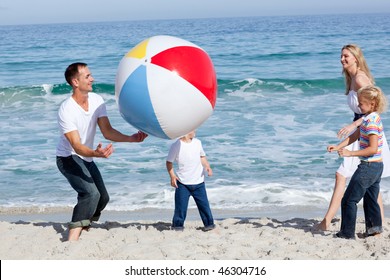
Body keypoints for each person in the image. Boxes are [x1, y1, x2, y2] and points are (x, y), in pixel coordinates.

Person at [56, 62, 148, 241]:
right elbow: (76, 145)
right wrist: (96, 153)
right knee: (90, 193)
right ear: (75, 82)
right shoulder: (66, 109)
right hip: (68, 158)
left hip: (87, 157)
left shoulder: (97, 100)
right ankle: (72, 237)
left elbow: (107, 131)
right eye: (87, 76)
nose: (92, 79)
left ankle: (85, 225)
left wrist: (132, 138)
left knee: (102, 198)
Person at [317, 44, 389, 230]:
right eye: (341, 56)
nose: (342, 59)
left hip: (366, 132)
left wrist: (354, 125)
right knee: (371, 183)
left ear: (356, 58)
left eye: (346, 56)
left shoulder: (360, 78)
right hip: (360, 130)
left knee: (342, 175)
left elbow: (373, 106)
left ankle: (326, 222)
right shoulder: (351, 78)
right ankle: (378, 222)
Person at [328, 85, 386, 239]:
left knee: (348, 199)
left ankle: (347, 234)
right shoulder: (368, 118)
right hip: (376, 166)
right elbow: (355, 136)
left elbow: (372, 148)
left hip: (369, 167)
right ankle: (374, 230)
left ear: (372, 104)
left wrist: (350, 153)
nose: (358, 106)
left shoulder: (371, 122)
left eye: (361, 103)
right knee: (370, 198)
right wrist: (338, 146)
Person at [166, 130, 215, 231]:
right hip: (183, 183)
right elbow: (169, 162)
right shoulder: (176, 145)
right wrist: (172, 176)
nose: (195, 131)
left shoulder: (197, 143)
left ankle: (209, 224)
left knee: (204, 206)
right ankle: (178, 226)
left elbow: (202, 157)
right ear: (186, 131)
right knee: (180, 208)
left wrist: (207, 166)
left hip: (199, 182)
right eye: (193, 129)